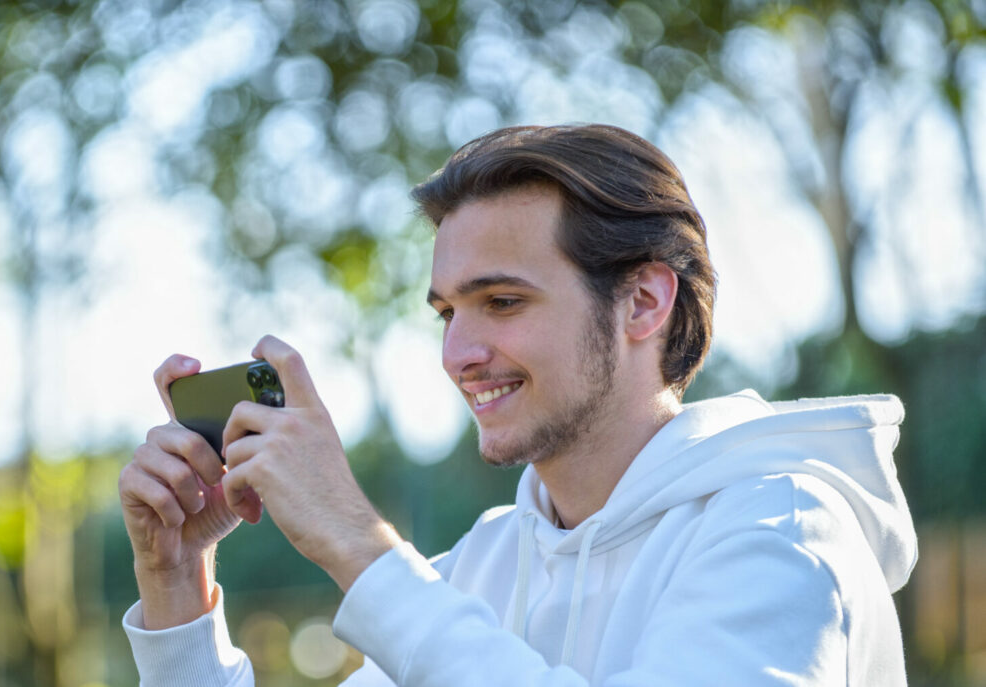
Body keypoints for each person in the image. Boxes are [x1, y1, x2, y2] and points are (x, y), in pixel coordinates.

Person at [118, 124, 917, 686]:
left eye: (501, 301)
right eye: (446, 312)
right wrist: (177, 590)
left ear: (643, 301)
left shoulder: (784, 534)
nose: (456, 354)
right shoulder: (478, 568)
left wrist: (358, 544)